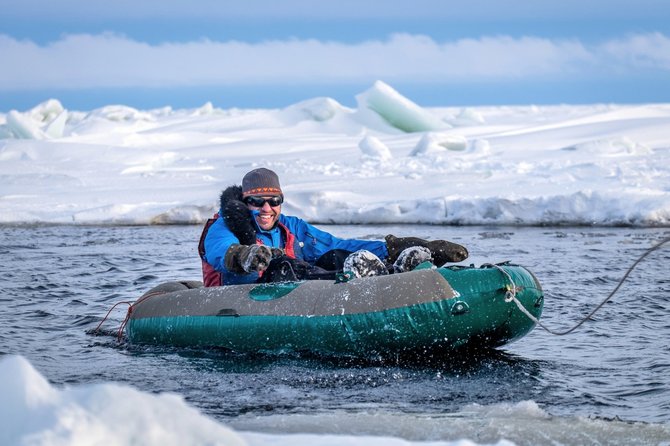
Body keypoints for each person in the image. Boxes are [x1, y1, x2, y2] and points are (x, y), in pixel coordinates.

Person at [199, 168, 468, 286]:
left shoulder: (291, 228)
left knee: (336, 256)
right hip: (241, 296)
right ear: (245, 202)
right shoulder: (225, 226)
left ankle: (392, 268)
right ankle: (361, 282)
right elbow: (219, 251)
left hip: (297, 287)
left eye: (273, 201)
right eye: (257, 201)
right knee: (284, 265)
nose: (266, 208)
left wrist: (394, 247)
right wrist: (244, 255)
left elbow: (338, 244)